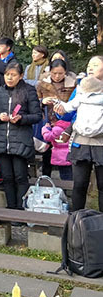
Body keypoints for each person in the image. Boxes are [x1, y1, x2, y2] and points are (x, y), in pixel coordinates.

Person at [0, 62, 41, 211]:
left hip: (21, 140)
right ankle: (11, 208)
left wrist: (22, 118)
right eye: (7, 75)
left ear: (21, 76)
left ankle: (21, 208)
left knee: (20, 176)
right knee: (6, 177)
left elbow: (37, 116)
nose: (9, 78)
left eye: (13, 75)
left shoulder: (29, 91)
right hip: (1, 141)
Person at [54, 58, 103, 211]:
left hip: (101, 143)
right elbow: (69, 114)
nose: (90, 68)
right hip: (80, 142)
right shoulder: (80, 88)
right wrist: (59, 110)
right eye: (88, 65)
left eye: (95, 65)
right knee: (79, 184)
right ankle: (76, 221)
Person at [37, 58, 78, 177]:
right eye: (54, 73)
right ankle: (46, 183)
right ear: (50, 72)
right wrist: (42, 101)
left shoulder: (73, 84)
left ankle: (67, 184)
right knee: (47, 155)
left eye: (60, 73)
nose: (57, 76)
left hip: (66, 124)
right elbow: (34, 101)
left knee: (64, 156)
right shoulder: (42, 84)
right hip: (49, 123)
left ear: (66, 72)